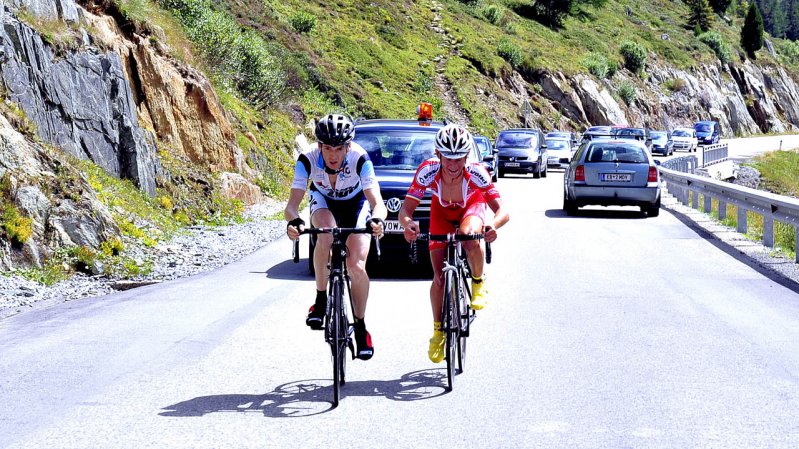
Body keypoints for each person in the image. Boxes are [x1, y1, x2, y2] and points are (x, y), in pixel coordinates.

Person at [398, 124, 509, 363]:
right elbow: (406, 210)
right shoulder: (427, 171)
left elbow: (502, 211)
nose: (453, 165)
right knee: (438, 277)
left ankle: (478, 281)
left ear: (467, 156)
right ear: (438, 155)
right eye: (448, 158)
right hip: (442, 213)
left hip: (471, 206)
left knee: (469, 236)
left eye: (459, 159)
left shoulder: (477, 172)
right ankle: (438, 331)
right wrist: (408, 224)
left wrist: (493, 226)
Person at [285, 114, 387, 360]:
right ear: (319, 146)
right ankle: (321, 299)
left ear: (348, 146)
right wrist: (295, 222)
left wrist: (378, 220)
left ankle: (361, 327)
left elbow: (378, 203)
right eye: (327, 148)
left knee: (356, 266)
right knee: (326, 232)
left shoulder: (360, 159)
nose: (333, 154)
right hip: (324, 201)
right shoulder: (307, 159)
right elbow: (291, 206)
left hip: (356, 204)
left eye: (339, 148)